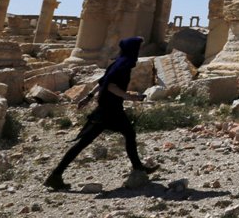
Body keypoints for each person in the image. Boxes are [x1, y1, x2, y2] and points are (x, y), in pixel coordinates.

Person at [44, 37, 157, 190]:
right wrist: (131, 97)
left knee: (89, 141)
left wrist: (88, 97)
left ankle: (56, 175)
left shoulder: (117, 62)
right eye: (138, 48)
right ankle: (138, 167)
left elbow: (103, 81)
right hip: (111, 110)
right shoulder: (124, 65)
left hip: (105, 108)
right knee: (126, 135)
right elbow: (110, 85)